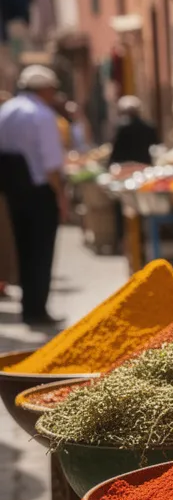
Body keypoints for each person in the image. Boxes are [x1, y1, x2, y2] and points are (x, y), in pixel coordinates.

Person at [0, 65, 67, 326]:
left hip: (14, 192)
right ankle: (37, 308)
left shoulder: (6, 112)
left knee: (23, 248)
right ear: (46, 89)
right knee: (41, 251)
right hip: (39, 193)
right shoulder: (41, 115)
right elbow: (51, 165)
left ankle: (28, 306)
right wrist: (61, 196)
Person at [109, 95, 158, 165]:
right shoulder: (149, 127)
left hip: (124, 165)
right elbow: (155, 143)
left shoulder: (121, 128)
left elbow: (115, 149)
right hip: (144, 163)